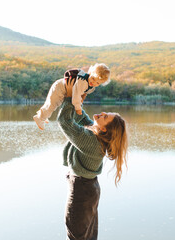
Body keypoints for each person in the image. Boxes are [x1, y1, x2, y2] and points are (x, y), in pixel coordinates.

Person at [57, 77, 128, 240]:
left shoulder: (91, 140)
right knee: (87, 235)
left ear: (104, 129)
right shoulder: (98, 135)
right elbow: (82, 118)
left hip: (82, 190)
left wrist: (69, 96)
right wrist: (78, 98)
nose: (102, 113)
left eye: (105, 116)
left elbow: (64, 122)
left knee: (76, 235)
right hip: (89, 187)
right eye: (105, 113)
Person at [33, 63, 111, 130]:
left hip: (64, 89)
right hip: (60, 88)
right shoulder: (82, 81)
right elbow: (76, 96)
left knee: (53, 104)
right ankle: (40, 118)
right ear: (90, 73)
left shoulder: (90, 86)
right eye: (93, 78)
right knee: (52, 104)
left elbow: (84, 92)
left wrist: (82, 97)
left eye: (97, 83)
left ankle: (42, 115)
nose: (93, 83)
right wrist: (78, 108)